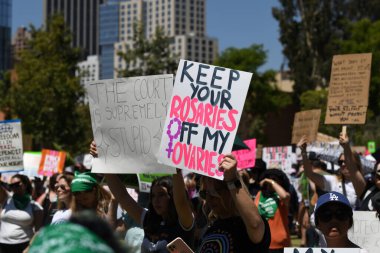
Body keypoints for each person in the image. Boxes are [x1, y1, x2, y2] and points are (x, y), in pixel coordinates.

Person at [90, 141, 195, 253]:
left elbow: (181, 202)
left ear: (172, 196)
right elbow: (122, 196)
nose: (156, 200)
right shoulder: (148, 219)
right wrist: (103, 160)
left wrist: (176, 167)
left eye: (161, 195)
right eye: (153, 196)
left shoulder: (184, 221)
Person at [197, 154, 271, 253]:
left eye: (214, 193)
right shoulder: (213, 227)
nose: (209, 199)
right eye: (204, 193)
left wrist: (231, 180)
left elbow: (255, 225)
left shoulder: (244, 226)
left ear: (229, 191)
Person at [298, 133, 366, 209]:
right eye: (340, 162)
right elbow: (309, 174)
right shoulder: (334, 181)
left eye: (346, 161)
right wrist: (303, 153)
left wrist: (346, 146)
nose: (343, 164)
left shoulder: (361, 183)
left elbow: (353, 170)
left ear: (356, 163)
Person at [0, 174, 44, 253]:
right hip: (3, 245)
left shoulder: (35, 206)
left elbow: (38, 231)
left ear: (25, 184)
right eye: (12, 185)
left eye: (17, 184)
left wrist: (29, 248)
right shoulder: (6, 199)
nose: (14, 187)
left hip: (23, 246)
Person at [254, 168, 291, 253]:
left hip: (281, 242)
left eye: (274, 179)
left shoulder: (284, 196)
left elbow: (284, 196)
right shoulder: (260, 195)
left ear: (281, 182)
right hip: (264, 241)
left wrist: (271, 182)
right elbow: (255, 212)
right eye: (268, 178)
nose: (270, 181)